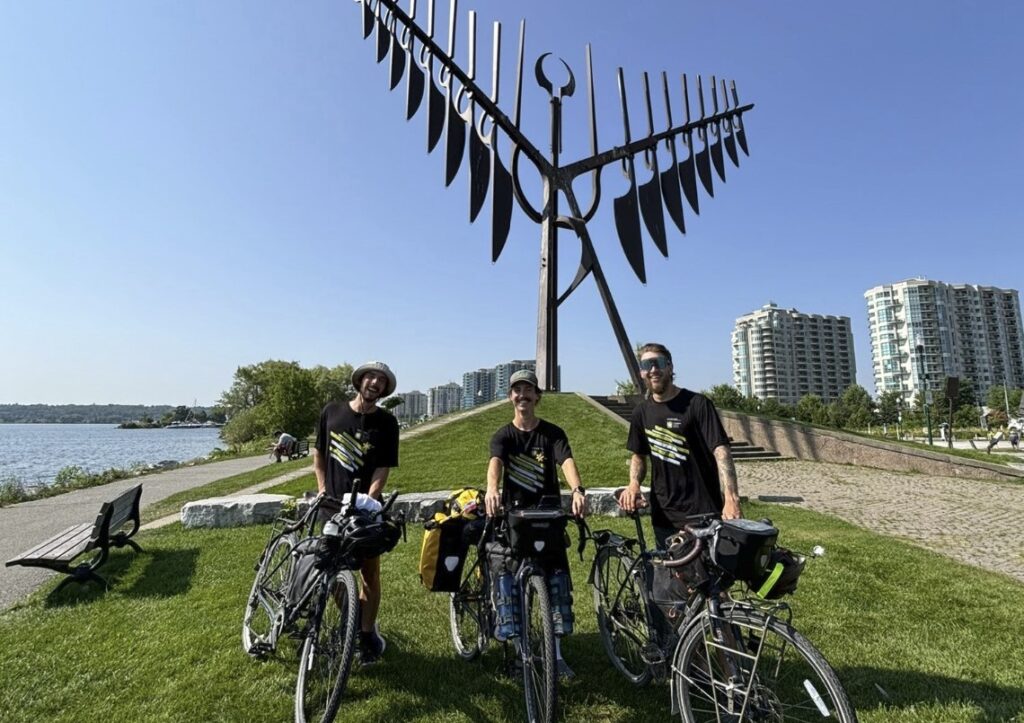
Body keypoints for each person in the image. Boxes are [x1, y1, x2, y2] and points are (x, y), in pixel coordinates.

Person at [485, 369, 586, 679]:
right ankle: (521, 654)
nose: (522, 396)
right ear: (510, 397)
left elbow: (566, 462)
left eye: (528, 390)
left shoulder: (552, 433)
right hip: (516, 519)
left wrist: (577, 489)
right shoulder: (503, 435)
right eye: (517, 390)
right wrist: (492, 489)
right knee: (510, 587)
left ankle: (555, 656)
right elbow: (495, 464)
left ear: (537, 396)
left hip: (548, 517)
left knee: (556, 586)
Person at [313, 360, 400, 665]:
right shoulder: (332, 412)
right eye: (371, 377)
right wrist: (322, 486)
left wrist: (367, 501)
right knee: (330, 571)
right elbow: (319, 453)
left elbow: (382, 467)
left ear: (385, 389)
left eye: (381, 380)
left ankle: (364, 634)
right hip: (330, 507)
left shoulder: (387, 423)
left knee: (369, 574)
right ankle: (353, 616)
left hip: (365, 511)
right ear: (360, 381)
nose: (375, 382)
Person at [619, 342, 742, 549]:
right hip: (665, 516)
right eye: (646, 365)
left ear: (670, 367)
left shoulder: (697, 404)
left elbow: (721, 451)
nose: (653, 370)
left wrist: (731, 498)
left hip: (703, 513)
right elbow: (638, 456)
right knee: (670, 577)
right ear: (641, 372)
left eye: (658, 363)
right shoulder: (641, 413)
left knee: (707, 578)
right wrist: (633, 484)